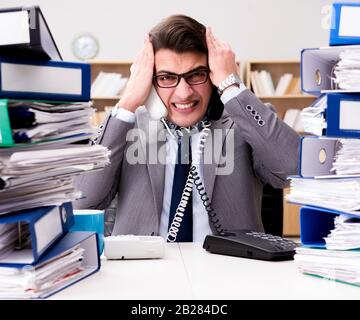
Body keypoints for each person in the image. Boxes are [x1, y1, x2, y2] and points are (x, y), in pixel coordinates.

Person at [74, 15, 299, 242]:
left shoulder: (243, 123)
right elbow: (81, 201)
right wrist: (128, 102)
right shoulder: (127, 128)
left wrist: (230, 86)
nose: (184, 93)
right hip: (141, 271)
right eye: (166, 77)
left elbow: (293, 169)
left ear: (212, 75)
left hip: (230, 271)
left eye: (196, 75)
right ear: (150, 82)